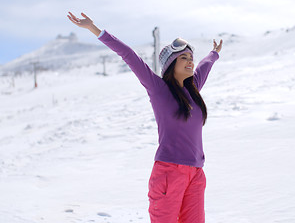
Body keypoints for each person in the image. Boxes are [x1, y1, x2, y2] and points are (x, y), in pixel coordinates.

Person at [67, 12, 222, 223]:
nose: (190, 62)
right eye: (183, 58)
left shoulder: (193, 91)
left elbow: (205, 66)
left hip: (196, 175)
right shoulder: (159, 90)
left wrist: (214, 53)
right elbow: (130, 56)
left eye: (191, 58)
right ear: (171, 64)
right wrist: (95, 30)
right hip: (169, 173)